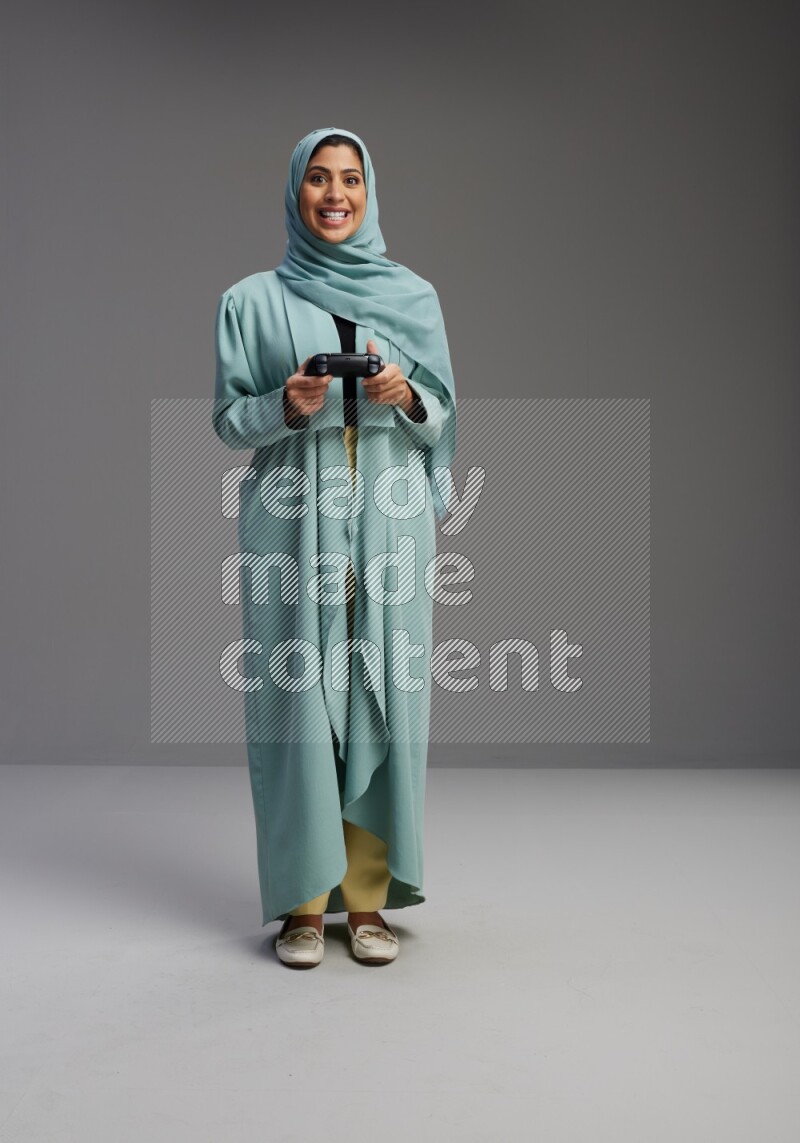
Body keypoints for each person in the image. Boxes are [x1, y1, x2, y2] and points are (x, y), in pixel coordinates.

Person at [212, 127, 457, 967]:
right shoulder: (250, 301)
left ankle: (369, 900)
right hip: (294, 520)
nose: (335, 194)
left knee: (384, 695)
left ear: (369, 191)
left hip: (391, 520)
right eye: (318, 178)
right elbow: (228, 421)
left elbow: (443, 417)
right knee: (299, 704)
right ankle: (304, 904)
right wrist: (286, 403)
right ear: (296, 191)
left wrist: (407, 394)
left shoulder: (414, 297)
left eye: (350, 178)